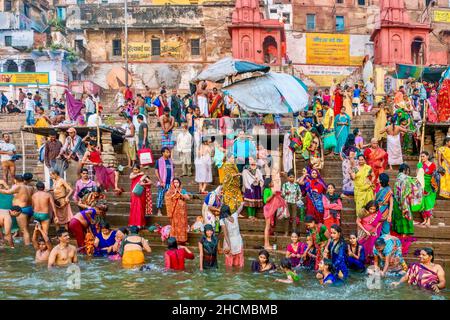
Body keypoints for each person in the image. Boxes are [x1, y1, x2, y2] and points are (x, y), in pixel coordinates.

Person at [391, 164, 422, 248]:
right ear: (405, 170)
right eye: (408, 170)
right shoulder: (407, 178)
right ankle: (404, 233)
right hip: (404, 201)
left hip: (397, 202)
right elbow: (416, 186)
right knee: (405, 216)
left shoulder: (397, 178)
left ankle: (400, 232)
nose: (408, 172)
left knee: (399, 217)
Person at [0, 176, 33, 245]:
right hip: (29, 208)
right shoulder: (29, 187)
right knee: (26, 227)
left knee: (24, 230)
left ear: (15, 180)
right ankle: (26, 242)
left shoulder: (19, 186)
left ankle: (27, 246)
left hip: (21, 209)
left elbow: (8, 192)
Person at [165, 178, 190, 244]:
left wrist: (181, 194)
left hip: (182, 211)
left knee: (182, 224)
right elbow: (167, 198)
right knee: (175, 224)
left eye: (177, 182)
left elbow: (188, 198)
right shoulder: (170, 191)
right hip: (174, 210)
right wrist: (174, 194)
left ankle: (183, 240)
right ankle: (175, 239)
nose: (176, 184)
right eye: (174, 182)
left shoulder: (183, 190)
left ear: (180, 183)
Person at [220, 203, 245, 268]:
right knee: (239, 260)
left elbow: (226, 235)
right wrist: (242, 204)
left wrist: (229, 246)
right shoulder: (234, 215)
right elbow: (239, 209)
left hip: (229, 241)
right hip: (238, 240)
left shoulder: (222, 220)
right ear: (229, 211)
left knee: (229, 264)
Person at [418, 151, 437, 227]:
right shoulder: (420, 164)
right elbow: (418, 175)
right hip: (422, 185)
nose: (422, 158)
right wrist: (419, 167)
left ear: (427, 156)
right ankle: (425, 219)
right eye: (421, 156)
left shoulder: (433, 165)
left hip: (431, 186)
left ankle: (428, 220)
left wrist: (434, 185)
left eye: (423, 156)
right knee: (423, 203)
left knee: (429, 203)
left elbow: (435, 176)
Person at [155, 147, 174, 216]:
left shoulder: (170, 161)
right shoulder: (159, 161)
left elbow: (172, 171)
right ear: (163, 153)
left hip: (170, 182)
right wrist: (160, 181)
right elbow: (156, 171)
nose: (168, 153)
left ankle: (170, 211)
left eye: (169, 152)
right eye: (167, 152)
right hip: (162, 182)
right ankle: (159, 211)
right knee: (160, 196)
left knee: (170, 197)